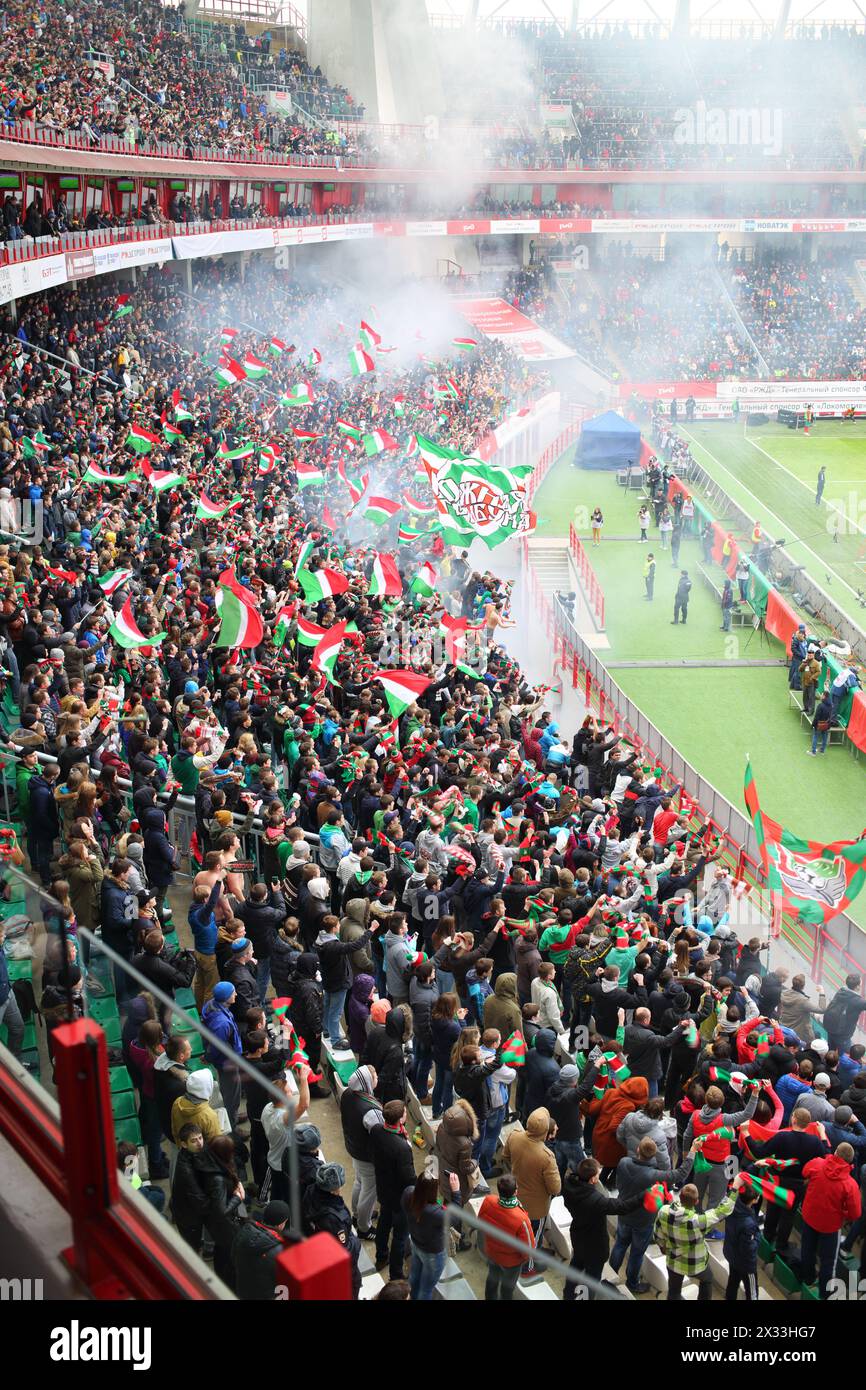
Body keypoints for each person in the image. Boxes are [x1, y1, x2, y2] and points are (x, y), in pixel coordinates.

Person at [561, 1155, 644, 1301]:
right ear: (592, 1179)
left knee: (576, 1264)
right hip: (594, 1245)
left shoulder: (568, 1185)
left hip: (578, 1235)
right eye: (598, 1175)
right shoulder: (595, 1200)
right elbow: (623, 1207)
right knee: (592, 1279)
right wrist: (645, 1194)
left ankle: (569, 1294)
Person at [655, 1175, 741, 1300]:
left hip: (673, 1261)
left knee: (673, 1292)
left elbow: (658, 1236)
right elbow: (723, 1210)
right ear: (696, 1201)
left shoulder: (663, 1211)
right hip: (696, 1264)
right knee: (707, 1280)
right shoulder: (699, 1221)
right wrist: (735, 1188)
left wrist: (664, 1248)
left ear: (679, 1196)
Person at [503, 1106, 561, 1272]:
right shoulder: (546, 1156)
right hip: (536, 1208)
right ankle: (527, 1268)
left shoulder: (514, 1136)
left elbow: (505, 1156)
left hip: (514, 1198)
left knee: (516, 1231)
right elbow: (555, 1188)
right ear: (545, 1131)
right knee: (533, 1238)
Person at [800, 1142, 862, 1298]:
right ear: (850, 1162)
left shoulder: (817, 1163)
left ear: (835, 1152)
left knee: (807, 1250)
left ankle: (808, 1278)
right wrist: (843, 1212)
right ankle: (825, 1293)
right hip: (830, 1227)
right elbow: (855, 1214)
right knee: (828, 1263)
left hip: (809, 1216)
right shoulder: (850, 1185)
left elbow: (804, 1171)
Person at [369, 1099, 416, 1279]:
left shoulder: (376, 1130)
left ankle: (381, 1256)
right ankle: (396, 1274)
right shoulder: (402, 1148)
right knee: (400, 1236)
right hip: (399, 1198)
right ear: (401, 1119)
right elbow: (409, 1177)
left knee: (383, 1222)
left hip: (383, 1188)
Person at [339, 1063, 383, 1239]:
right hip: (367, 1156)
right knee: (369, 1193)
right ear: (366, 1082)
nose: (377, 1079)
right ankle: (364, 1228)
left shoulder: (347, 1094)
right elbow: (381, 1135)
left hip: (354, 1149)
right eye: (375, 1077)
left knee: (359, 1182)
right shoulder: (370, 1110)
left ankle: (357, 1215)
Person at [478, 1174, 535, 1300]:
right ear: (515, 1191)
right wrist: (525, 1259)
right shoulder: (522, 1219)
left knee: (492, 1277)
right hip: (511, 1261)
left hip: (492, 1252)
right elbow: (528, 1248)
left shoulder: (488, 1200)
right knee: (507, 1287)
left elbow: (480, 1222)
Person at [402, 1170, 449, 1301]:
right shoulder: (435, 1213)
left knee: (414, 1277)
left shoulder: (408, 1194)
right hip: (433, 1253)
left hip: (416, 1243)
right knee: (426, 1288)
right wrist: (456, 1192)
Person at [232, 1200, 290, 1301]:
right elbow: (284, 1284)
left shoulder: (243, 1231)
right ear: (281, 1224)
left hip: (243, 1290)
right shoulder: (280, 1252)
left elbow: (233, 1257)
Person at [723, 1180, 761, 1301]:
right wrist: (757, 1237)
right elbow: (749, 1249)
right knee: (752, 1292)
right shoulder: (748, 1225)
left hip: (732, 1254)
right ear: (753, 1200)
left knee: (733, 1282)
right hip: (746, 1264)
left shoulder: (731, 1206)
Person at [822, 973, 866, 1053]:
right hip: (843, 1035)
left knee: (831, 1052)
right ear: (857, 987)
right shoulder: (857, 1001)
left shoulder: (841, 991)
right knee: (844, 1056)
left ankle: (830, 1062)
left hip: (831, 1028)